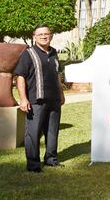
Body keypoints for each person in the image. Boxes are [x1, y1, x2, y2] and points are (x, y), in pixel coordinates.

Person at [14, 24, 65, 173]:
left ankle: (51, 159)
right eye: (40, 34)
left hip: (54, 100)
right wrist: (23, 99)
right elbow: (20, 77)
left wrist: (61, 94)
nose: (44, 36)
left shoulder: (54, 53)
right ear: (34, 36)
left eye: (46, 34)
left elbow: (57, 76)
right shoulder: (28, 54)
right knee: (33, 133)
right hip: (36, 100)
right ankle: (33, 165)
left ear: (51, 35)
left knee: (52, 132)